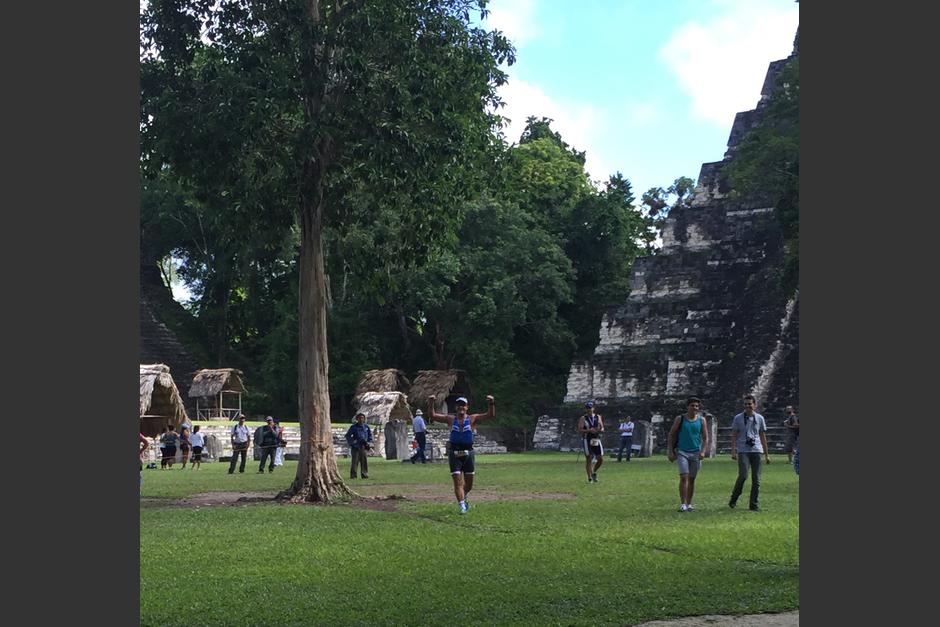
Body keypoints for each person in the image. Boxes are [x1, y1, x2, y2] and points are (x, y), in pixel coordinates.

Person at [426, 394, 495, 514]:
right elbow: (433, 415)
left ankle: (464, 495)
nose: (461, 407)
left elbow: (490, 415)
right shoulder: (450, 419)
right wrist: (431, 402)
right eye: (459, 405)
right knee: (457, 482)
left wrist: (491, 403)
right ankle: (462, 506)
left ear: (467, 407)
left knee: (469, 484)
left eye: (463, 405)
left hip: (469, 453)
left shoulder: (472, 418)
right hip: (454, 453)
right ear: (456, 407)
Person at [729, 395, 772, 511]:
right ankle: (734, 498)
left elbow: (762, 436)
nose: (747, 406)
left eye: (750, 404)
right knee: (743, 475)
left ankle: (753, 504)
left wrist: (767, 454)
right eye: (746, 404)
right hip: (743, 450)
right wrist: (733, 451)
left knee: (756, 479)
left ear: (755, 405)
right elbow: (734, 435)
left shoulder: (760, 418)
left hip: (756, 450)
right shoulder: (738, 418)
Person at [667, 397, 709, 512]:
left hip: (696, 453)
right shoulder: (680, 419)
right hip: (682, 452)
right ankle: (683, 503)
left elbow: (705, 437)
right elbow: (671, 434)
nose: (695, 408)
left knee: (691, 479)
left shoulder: (701, 420)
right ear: (687, 407)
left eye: (697, 406)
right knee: (683, 477)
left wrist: (703, 451)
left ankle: (689, 503)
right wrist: (670, 451)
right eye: (692, 405)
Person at [578, 401, 605, 483]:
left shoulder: (598, 417)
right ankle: (589, 478)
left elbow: (602, 427)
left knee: (600, 458)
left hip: (596, 439)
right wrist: (589, 430)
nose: (588, 409)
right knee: (589, 457)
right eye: (587, 408)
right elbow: (580, 429)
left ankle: (594, 472)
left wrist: (599, 430)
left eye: (590, 408)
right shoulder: (583, 418)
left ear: (593, 408)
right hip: (587, 439)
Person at [345, 413, 374, 479]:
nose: (361, 419)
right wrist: (352, 442)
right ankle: (353, 476)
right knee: (355, 462)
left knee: (364, 461)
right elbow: (348, 435)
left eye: (362, 418)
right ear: (357, 419)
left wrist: (369, 443)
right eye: (359, 418)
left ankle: (364, 475)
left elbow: (370, 435)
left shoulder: (366, 427)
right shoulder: (353, 427)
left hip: (364, 446)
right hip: (356, 447)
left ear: (364, 419)